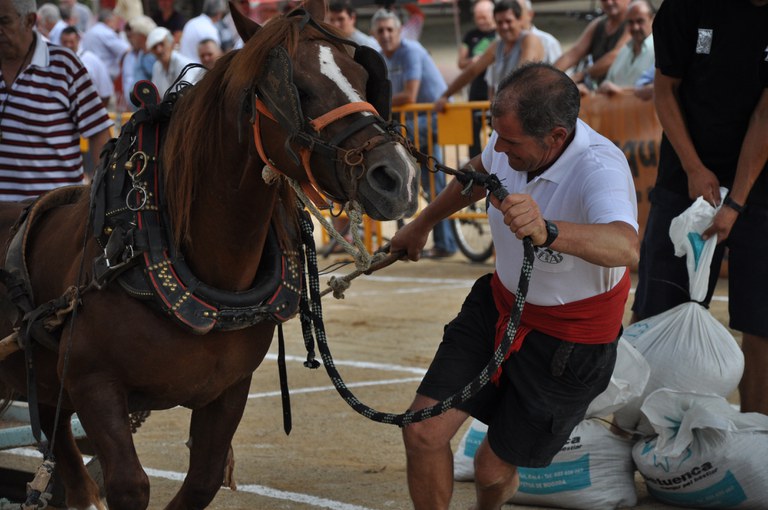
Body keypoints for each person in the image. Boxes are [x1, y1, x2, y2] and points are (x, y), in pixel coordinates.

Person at [390, 62, 638, 509]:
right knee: (422, 429)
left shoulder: (600, 167)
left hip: (568, 344)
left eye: (511, 142)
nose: (499, 149)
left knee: (491, 470)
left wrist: (550, 230)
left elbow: (626, 245)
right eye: (496, 136)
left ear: (556, 137)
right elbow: (477, 173)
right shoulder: (508, 139)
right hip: (498, 307)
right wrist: (422, 223)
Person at [631, 0, 768, 415]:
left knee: (760, 323)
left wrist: (736, 202)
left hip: (759, 187)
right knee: (656, 314)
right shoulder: (686, 6)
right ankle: (636, 429)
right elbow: (664, 87)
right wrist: (694, 168)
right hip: (683, 181)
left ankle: (756, 437)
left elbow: (765, 116)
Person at [0, 0, 112, 201]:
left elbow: (99, 131)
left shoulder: (63, 65)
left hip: (52, 216)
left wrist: (100, 196)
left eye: (4, 21)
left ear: (29, 21)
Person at [371, 8, 457, 258]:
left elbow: (409, 95)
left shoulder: (411, 51)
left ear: (400, 32)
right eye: (381, 31)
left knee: (433, 183)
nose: (386, 35)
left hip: (434, 119)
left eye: (390, 30)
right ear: (373, 34)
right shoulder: (380, 57)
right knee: (428, 183)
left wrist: (375, 102)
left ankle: (445, 242)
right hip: (413, 122)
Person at [433, 0, 544, 111]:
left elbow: (523, 73)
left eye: (509, 21)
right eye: (499, 23)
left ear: (519, 20)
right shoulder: (498, 45)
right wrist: (445, 95)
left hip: (529, 110)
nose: (504, 26)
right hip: (508, 110)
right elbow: (472, 71)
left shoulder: (529, 40)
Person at [554, 0, 631, 90]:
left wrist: (581, 75)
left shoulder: (634, 24)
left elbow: (616, 55)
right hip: (602, 89)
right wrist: (549, 75)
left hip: (627, 89)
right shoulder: (598, 24)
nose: (609, 2)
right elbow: (572, 54)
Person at [457, 0, 495, 158]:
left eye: (485, 17)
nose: (482, 21)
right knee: (473, 130)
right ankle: (476, 161)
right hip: (476, 87)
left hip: (494, 87)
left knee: (496, 128)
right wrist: (473, 62)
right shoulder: (470, 35)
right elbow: (461, 62)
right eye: (478, 18)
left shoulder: (499, 33)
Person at [597, 0, 655, 96]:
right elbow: (608, 82)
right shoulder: (623, 51)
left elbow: (657, 89)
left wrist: (621, 91)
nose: (635, 27)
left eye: (640, 21)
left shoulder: (662, 50)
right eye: (630, 22)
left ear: (652, 20)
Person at [60, 26, 114, 108]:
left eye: (71, 42)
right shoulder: (58, 60)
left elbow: (105, 91)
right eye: (65, 42)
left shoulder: (92, 60)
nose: (68, 45)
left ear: (78, 39)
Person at [147, 26, 203, 97]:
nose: (159, 50)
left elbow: (187, 97)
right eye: (154, 47)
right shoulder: (157, 66)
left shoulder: (184, 65)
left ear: (172, 44)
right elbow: (156, 94)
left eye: (162, 44)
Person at [81, 9, 131, 81]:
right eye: (115, 22)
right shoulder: (106, 32)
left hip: (88, 74)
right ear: (108, 21)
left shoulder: (89, 31)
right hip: (103, 76)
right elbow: (126, 50)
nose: (116, 26)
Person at [178, 0, 226, 64]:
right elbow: (216, 56)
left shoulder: (191, 22)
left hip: (184, 67)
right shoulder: (210, 30)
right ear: (219, 14)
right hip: (198, 70)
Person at [522, 0, 562, 65]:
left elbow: (559, 70)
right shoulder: (503, 44)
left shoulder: (548, 41)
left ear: (530, 14)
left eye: (517, 12)